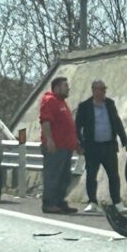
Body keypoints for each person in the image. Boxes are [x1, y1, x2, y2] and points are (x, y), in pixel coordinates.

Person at [76, 80, 127, 214]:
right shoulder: (84, 106)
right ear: (94, 90)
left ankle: (117, 203)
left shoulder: (110, 104)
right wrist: (79, 143)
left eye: (104, 89)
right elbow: (77, 127)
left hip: (109, 146)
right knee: (91, 175)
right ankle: (93, 202)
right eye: (101, 89)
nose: (103, 92)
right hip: (92, 147)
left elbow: (116, 121)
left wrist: (124, 138)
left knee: (113, 175)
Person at [39, 77, 79, 214]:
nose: (68, 88)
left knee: (64, 176)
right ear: (56, 87)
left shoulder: (61, 103)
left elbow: (67, 127)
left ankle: (60, 202)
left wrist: (76, 144)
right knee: (53, 175)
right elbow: (45, 122)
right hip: (55, 147)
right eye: (65, 85)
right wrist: (50, 140)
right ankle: (49, 203)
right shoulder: (50, 100)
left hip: (66, 147)